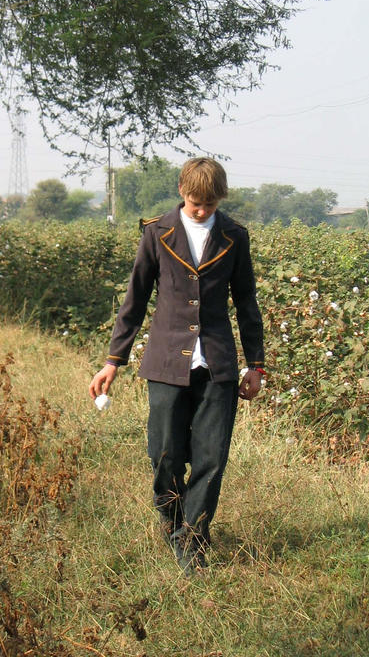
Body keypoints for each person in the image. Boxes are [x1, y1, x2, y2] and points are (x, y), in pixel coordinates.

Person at [89, 157, 265, 574]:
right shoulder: (157, 232)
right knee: (165, 455)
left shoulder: (234, 236)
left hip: (218, 366)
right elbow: (134, 299)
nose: (200, 209)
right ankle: (172, 525)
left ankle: (194, 543)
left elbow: (246, 301)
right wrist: (114, 360)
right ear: (182, 192)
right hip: (167, 361)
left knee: (211, 460)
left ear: (219, 198)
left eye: (208, 203)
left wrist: (255, 365)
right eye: (193, 201)